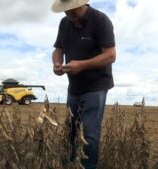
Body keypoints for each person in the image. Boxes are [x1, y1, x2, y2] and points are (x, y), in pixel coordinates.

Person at [51, 0, 116, 168]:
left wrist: (81, 65)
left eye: (72, 11)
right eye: (65, 11)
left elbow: (110, 55)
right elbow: (58, 50)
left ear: (82, 4)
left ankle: (89, 166)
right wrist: (57, 64)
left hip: (96, 86)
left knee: (90, 135)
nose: (69, 15)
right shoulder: (64, 23)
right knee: (69, 131)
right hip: (74, 87)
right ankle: (69, 163)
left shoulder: (101, 20)